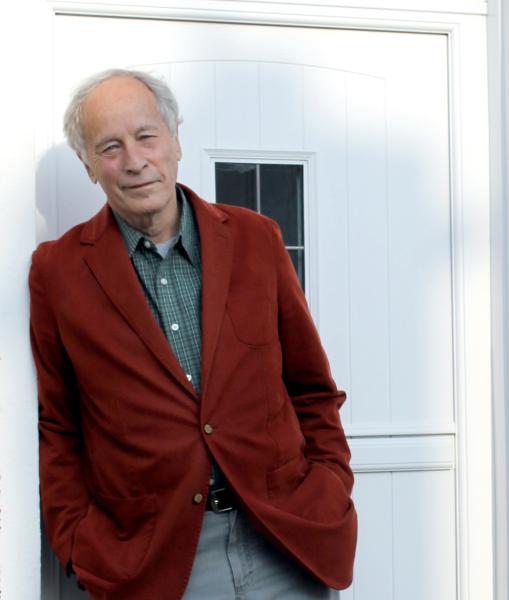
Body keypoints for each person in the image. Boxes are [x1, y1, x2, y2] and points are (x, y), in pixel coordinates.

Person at [29, 69, 357, 600]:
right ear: (88, 165)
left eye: (146, 136)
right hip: (154, 563)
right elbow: (57, 427)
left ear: (176, 138)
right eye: (109, 147)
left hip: (286, 540)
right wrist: (80, 542)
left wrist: (329, 490)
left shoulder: (256, 238)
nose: (134, 162)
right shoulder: (57, 272)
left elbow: (312, 386)